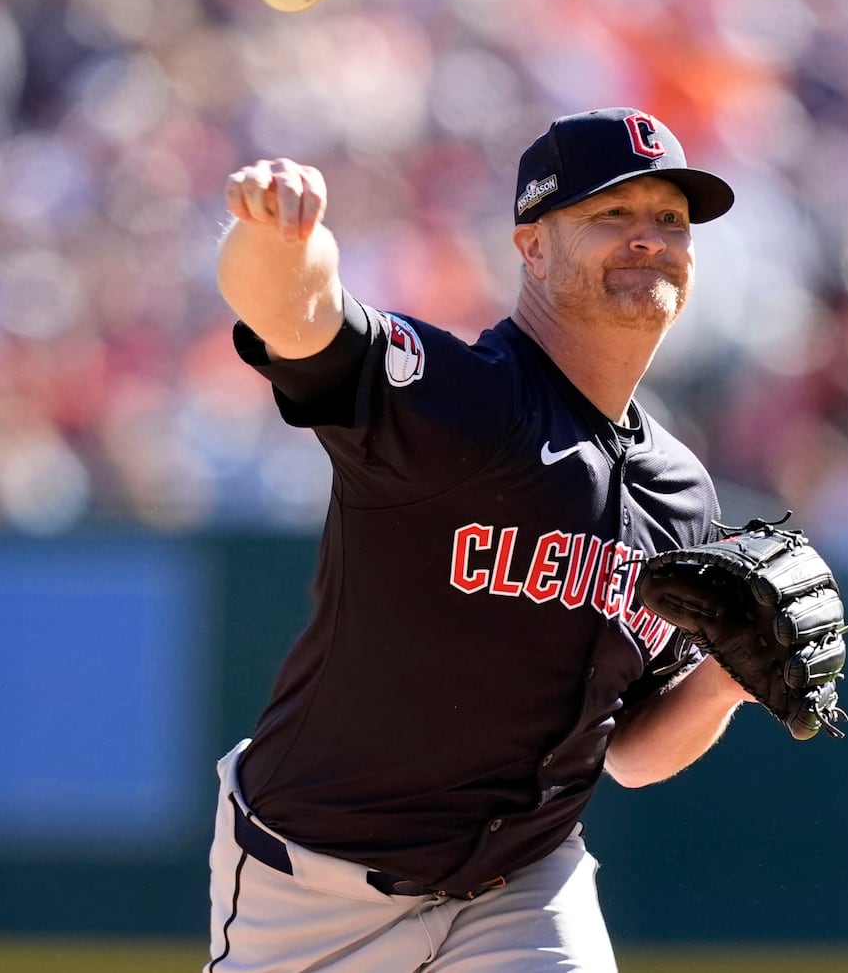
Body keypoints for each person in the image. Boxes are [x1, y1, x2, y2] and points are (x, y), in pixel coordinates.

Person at [207, 108, 753, 972]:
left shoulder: (683, 495)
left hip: (524, 882)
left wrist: (725, 680)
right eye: (612, 214)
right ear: (532, 246)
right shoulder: (454, 404)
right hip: (316, 885)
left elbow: (636, 756)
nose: (649, 238)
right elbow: (301, 312)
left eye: (671, 221)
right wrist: (278, 238)